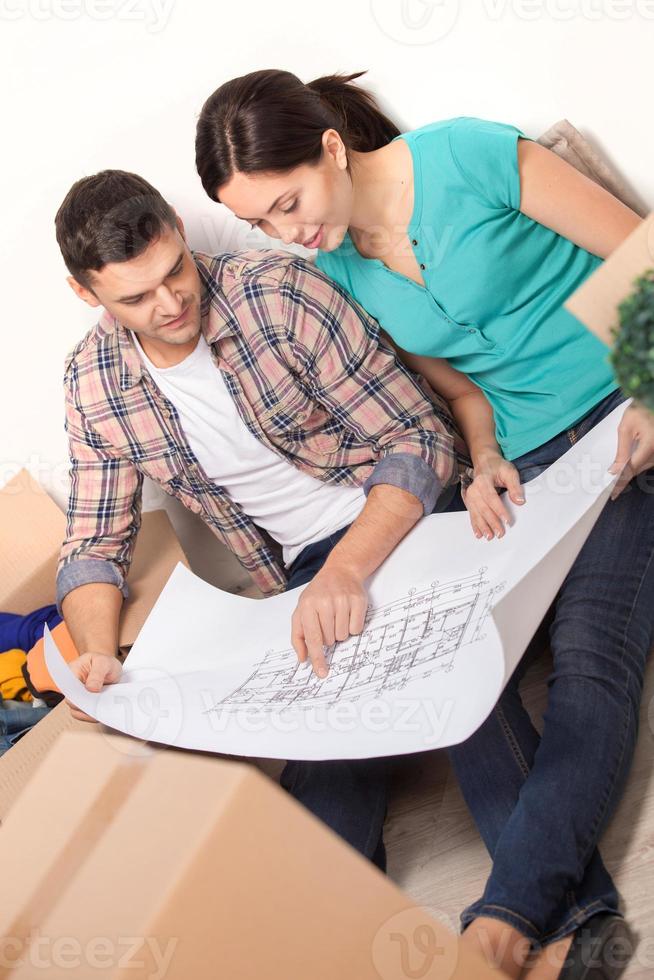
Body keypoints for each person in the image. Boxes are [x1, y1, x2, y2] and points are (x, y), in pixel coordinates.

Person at [194, 69, 654, 979]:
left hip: (621, 417)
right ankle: (552, 913)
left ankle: (506, 918)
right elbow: (458, 386)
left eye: (287, 202)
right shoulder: (338, 269)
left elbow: (642, 252)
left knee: (595, 655)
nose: (286, 233)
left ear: (331, 145)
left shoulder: (468, 156)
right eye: (260, 224)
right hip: (528, 468)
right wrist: (484, 457)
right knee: (458, 657)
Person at [54, 165, 481, 876]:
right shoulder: (93, 382)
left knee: (461, 695)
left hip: (402, 509)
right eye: (135, 296)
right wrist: (98, 653)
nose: (169, 304)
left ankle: (545, 916)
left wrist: (349, 567)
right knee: (320, 768)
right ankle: (326, 930)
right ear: (86, 294)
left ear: (181, 232)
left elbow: (419, 438)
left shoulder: (276, 292)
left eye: (175, 272)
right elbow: (95, 541)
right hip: (306, 567)